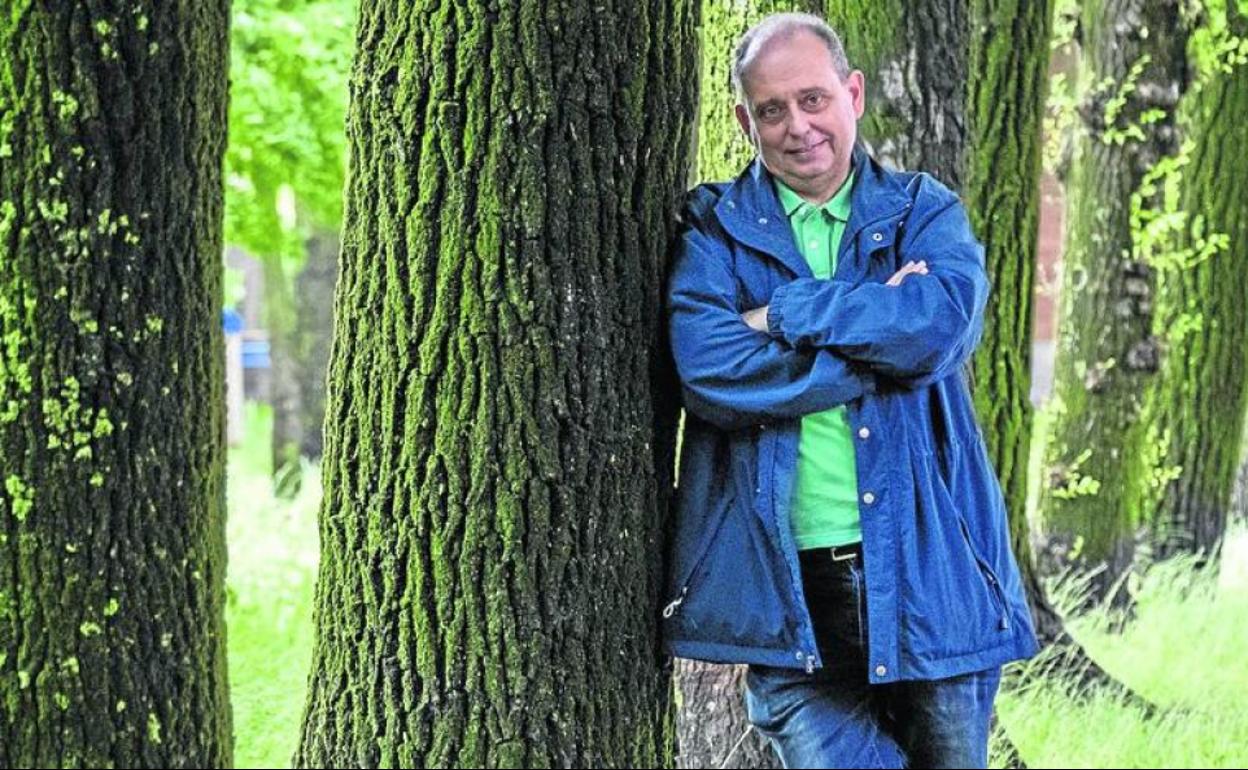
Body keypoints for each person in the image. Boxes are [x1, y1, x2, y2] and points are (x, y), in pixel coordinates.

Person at [662, 12, 1039, 768]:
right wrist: (873, 351)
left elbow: (933, 330)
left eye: (812, 99)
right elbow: (709, 369)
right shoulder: (714, 229)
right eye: (771, 110)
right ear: (744, 119)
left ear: (853, 93)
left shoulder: (923, 212)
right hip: (788, 600)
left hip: (935, 582)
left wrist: (788, 311)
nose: (797, 126)